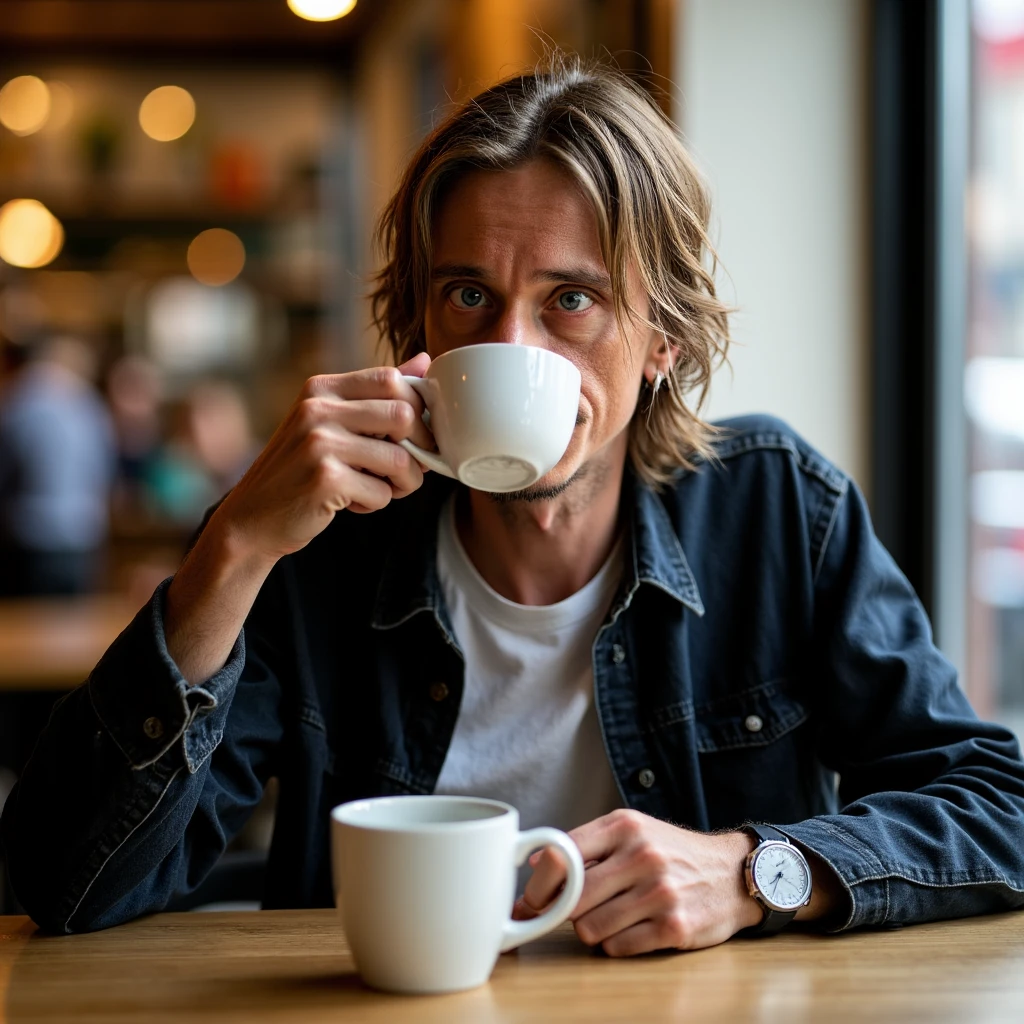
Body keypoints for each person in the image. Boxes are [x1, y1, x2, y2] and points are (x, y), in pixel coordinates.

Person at [3, 57, 1024, 951]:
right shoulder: (321, 547)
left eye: (570, 300)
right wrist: (231, 548)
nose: (513, 349)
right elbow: (62, 883)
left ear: (662, 337)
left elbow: (999, 807)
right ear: (421, 332)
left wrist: (758, 872)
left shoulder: (776, 513)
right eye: (468, 297)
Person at [0, 334, 115, 596]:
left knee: (20, 628)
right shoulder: (89, 405)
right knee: (76, 627)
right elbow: (102, 472)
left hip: (26, 536)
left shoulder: (15, 402)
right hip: (81, 534)